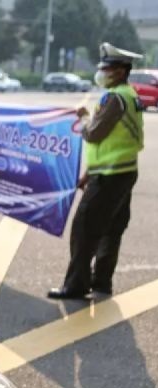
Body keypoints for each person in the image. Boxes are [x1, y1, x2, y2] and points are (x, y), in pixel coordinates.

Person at [48, 42, 145, 300]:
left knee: (84, 229)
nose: (102, 72)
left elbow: (94, 134)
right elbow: (112, 141)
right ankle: (102, 283)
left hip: (110, 177)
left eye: (107, 68)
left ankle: (76, 286)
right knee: (112, 229)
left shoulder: (115, 97)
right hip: (121, 171)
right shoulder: (129, 94)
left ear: (121, 71)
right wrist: (88, 174)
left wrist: (83, 118)